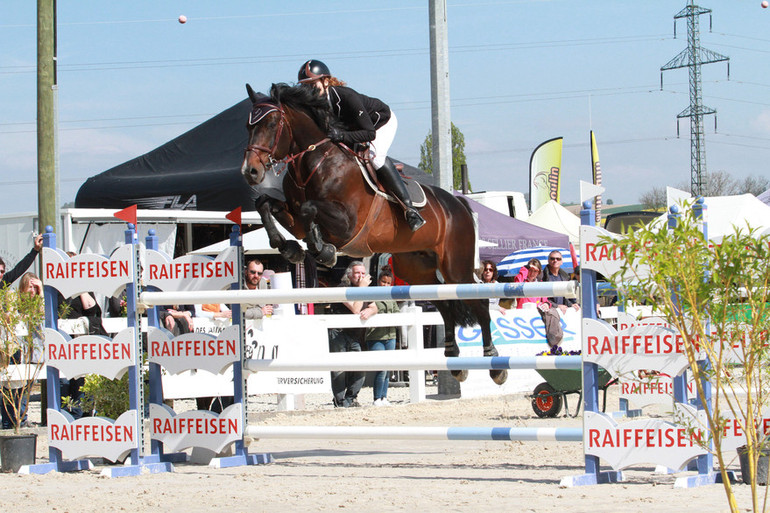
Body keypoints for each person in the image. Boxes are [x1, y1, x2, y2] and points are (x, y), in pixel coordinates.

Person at [297, 59, 425, 232]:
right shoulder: (314, 106)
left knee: (376, 157)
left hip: (380, 123)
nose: (310, 91)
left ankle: (409, 210)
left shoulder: (346, 96)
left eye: (313, 85)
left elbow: (369, 133)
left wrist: (341, 135)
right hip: (355, 130)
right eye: (305, 86)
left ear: (326, 81)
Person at [1, 272, 44, 429]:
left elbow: (41, 320)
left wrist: (41, 293)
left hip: (33, 353)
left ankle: (22, 418)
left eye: (35, 287)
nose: (32, 290)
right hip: (15, 350)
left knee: (26, 388)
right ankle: (8, 420)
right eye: (30, 286)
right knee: (10, 386)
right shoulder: (16, 303)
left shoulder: (41, 303)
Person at [327, 261, 370, 408]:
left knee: (360, 368)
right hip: (338, 332)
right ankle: (340, 402)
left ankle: (350, 399)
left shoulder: (364, 290)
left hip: (354, 335)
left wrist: (370, 311)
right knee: (339, 369)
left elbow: (374, 306)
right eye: (358, 273)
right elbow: (356, 308)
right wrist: (363, 289)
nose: (361, 276)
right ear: (349, 274)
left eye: (363, 273)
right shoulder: (342, 287)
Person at [362, 266, 398, 407]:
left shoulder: (392, 297)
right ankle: (377, 397)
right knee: (381, 368)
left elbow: (396, 312)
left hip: (391, 335)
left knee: (387, 368)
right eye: (383, 282)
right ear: (378, 281)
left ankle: (384, 397)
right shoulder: (373, 296)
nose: (385, 285)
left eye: (388, 283)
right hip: (375, 336)